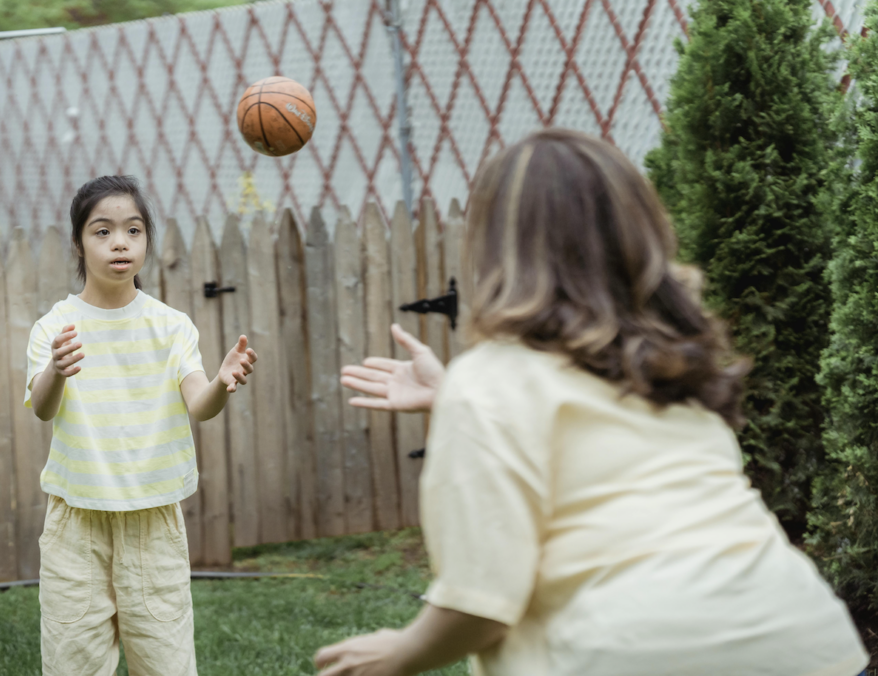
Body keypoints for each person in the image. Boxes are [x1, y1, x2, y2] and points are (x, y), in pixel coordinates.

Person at [316, 129, 869, 676]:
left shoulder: (491, 381)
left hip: (631, 651)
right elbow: (604, 461)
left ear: (494, 248)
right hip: (803, 638)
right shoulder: (668, 367)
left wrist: (397, 653)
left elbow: (479, 606)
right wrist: (455, 401)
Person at [24, 175, 257, 675]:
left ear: (147, 240)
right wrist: (56, 371)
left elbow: (199, 404)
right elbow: (42, 407)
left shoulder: (172, 326)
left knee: (166, 662)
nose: (119, 242)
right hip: (76, 524)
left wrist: (221, 381)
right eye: (102, 231)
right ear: (79, 244)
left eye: (133, 230)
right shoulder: (54, 326)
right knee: (73, 663)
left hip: (154, 521)